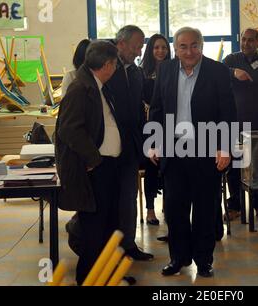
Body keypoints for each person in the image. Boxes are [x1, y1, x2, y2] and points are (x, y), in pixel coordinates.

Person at [148, 27, 237, 277]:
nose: (189, 51)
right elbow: (156, 108)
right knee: (175, 209)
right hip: (173, 150)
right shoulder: (165, 70)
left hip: (207, 148)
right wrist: (153, 141)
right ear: (175, 49)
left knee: (205, 209)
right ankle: (179, 258)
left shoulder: (218, 71)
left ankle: (203, 259)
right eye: (183, 46)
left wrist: (224, 146)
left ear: (202, 46)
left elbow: (228, 112)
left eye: (194, 45)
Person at [55, 40, 121, 285]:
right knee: (93, 231)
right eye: (115, 64)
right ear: (108, 65)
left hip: (106, 167)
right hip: (95, 170)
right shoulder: (81, 88)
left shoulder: (97, 85)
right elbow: (69, 130)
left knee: (105, 228)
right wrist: (93, 159)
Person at [106, 25, 154, 261]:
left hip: (131, 147)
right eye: (136, 45)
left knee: (128, 198)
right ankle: (107, 249)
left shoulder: (137, 72)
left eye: (141, 45)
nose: (139, 50)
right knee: (107, 199)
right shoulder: (104, 68)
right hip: (105, 149)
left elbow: (140, 110)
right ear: (121, 43)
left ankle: (129, 245)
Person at [223, 28, 258, 221]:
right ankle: (235, 206)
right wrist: (233, 72)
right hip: (234, 124)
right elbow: (217, 74)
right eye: (243, 40)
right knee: (234, 166)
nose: (246, 43)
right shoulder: (231, 60)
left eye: (250, 40)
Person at [140, 34, 172, 225]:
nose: (161, 51)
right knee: (152, 167)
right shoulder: (142, 72)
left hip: (170, 125)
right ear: (150, 50)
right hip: (149, 125)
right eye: (156, 47)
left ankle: (169, 206)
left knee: (169, 168)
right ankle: (150, 209)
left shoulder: (173, 70)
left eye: (164, 48)